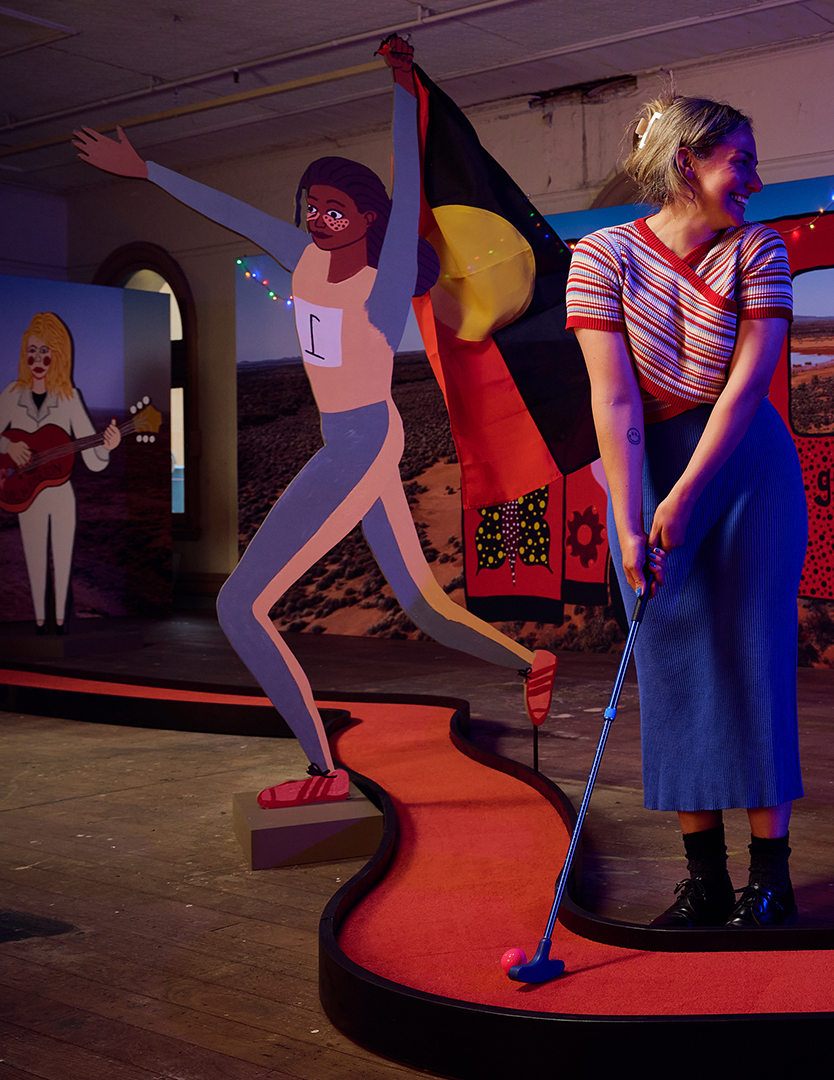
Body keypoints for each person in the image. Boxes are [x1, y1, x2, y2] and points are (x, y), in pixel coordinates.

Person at [72, 38, 557, 810]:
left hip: (362, 438)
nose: (319, 219)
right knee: (422, 603)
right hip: (352, 437)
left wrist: (403, 89)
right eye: (313, 208)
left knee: (237, 605)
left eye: (336, 209)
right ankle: (530, 663)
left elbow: (407, 178)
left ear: (369, 219)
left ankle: (324, 770)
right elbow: (230, 212)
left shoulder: (382, 281)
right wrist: (148, 172)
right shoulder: (302, 258)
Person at [566, 94, 806, 928]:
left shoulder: (759, 249)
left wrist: (686, 492)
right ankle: (704, 881)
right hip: (647, 467)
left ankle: (769, 882)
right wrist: (629, 519)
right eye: (740, 161)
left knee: (755, 659)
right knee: (671, 661)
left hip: (743, 469)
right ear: (684, 163)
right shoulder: (600, 256)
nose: (755, 180)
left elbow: (745, 388)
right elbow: (614, 398)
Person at [2, 312, 121, 633]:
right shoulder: (12, 394)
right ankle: (40, 622)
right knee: (35, 558)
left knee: (63, 559)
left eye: (45, 352)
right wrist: (9, 446)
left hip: (60, 493)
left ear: (58, 356)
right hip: (25, 492)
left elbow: (92, 459)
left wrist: (107, 447)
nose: (37, 360)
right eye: (32, 350)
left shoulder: (69, 397)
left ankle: (60, 623)